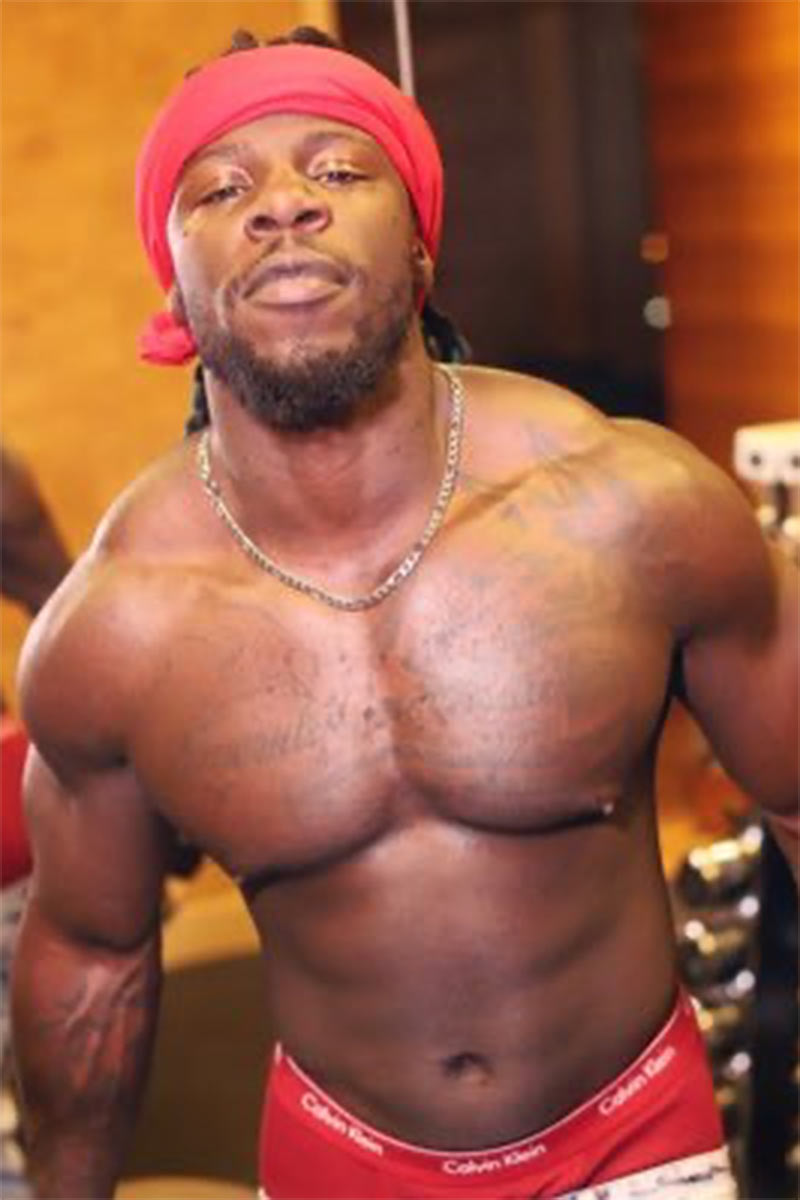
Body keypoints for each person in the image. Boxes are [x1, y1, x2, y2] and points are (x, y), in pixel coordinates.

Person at [10, 26, 798, 1200]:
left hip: (634, 1141)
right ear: (170, 280)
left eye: (337, 170)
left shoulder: (628, 507)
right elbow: (90, 960)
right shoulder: (118, 627)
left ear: (421, 245)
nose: (283, 205)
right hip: (341, 1161)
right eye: (220, 189)